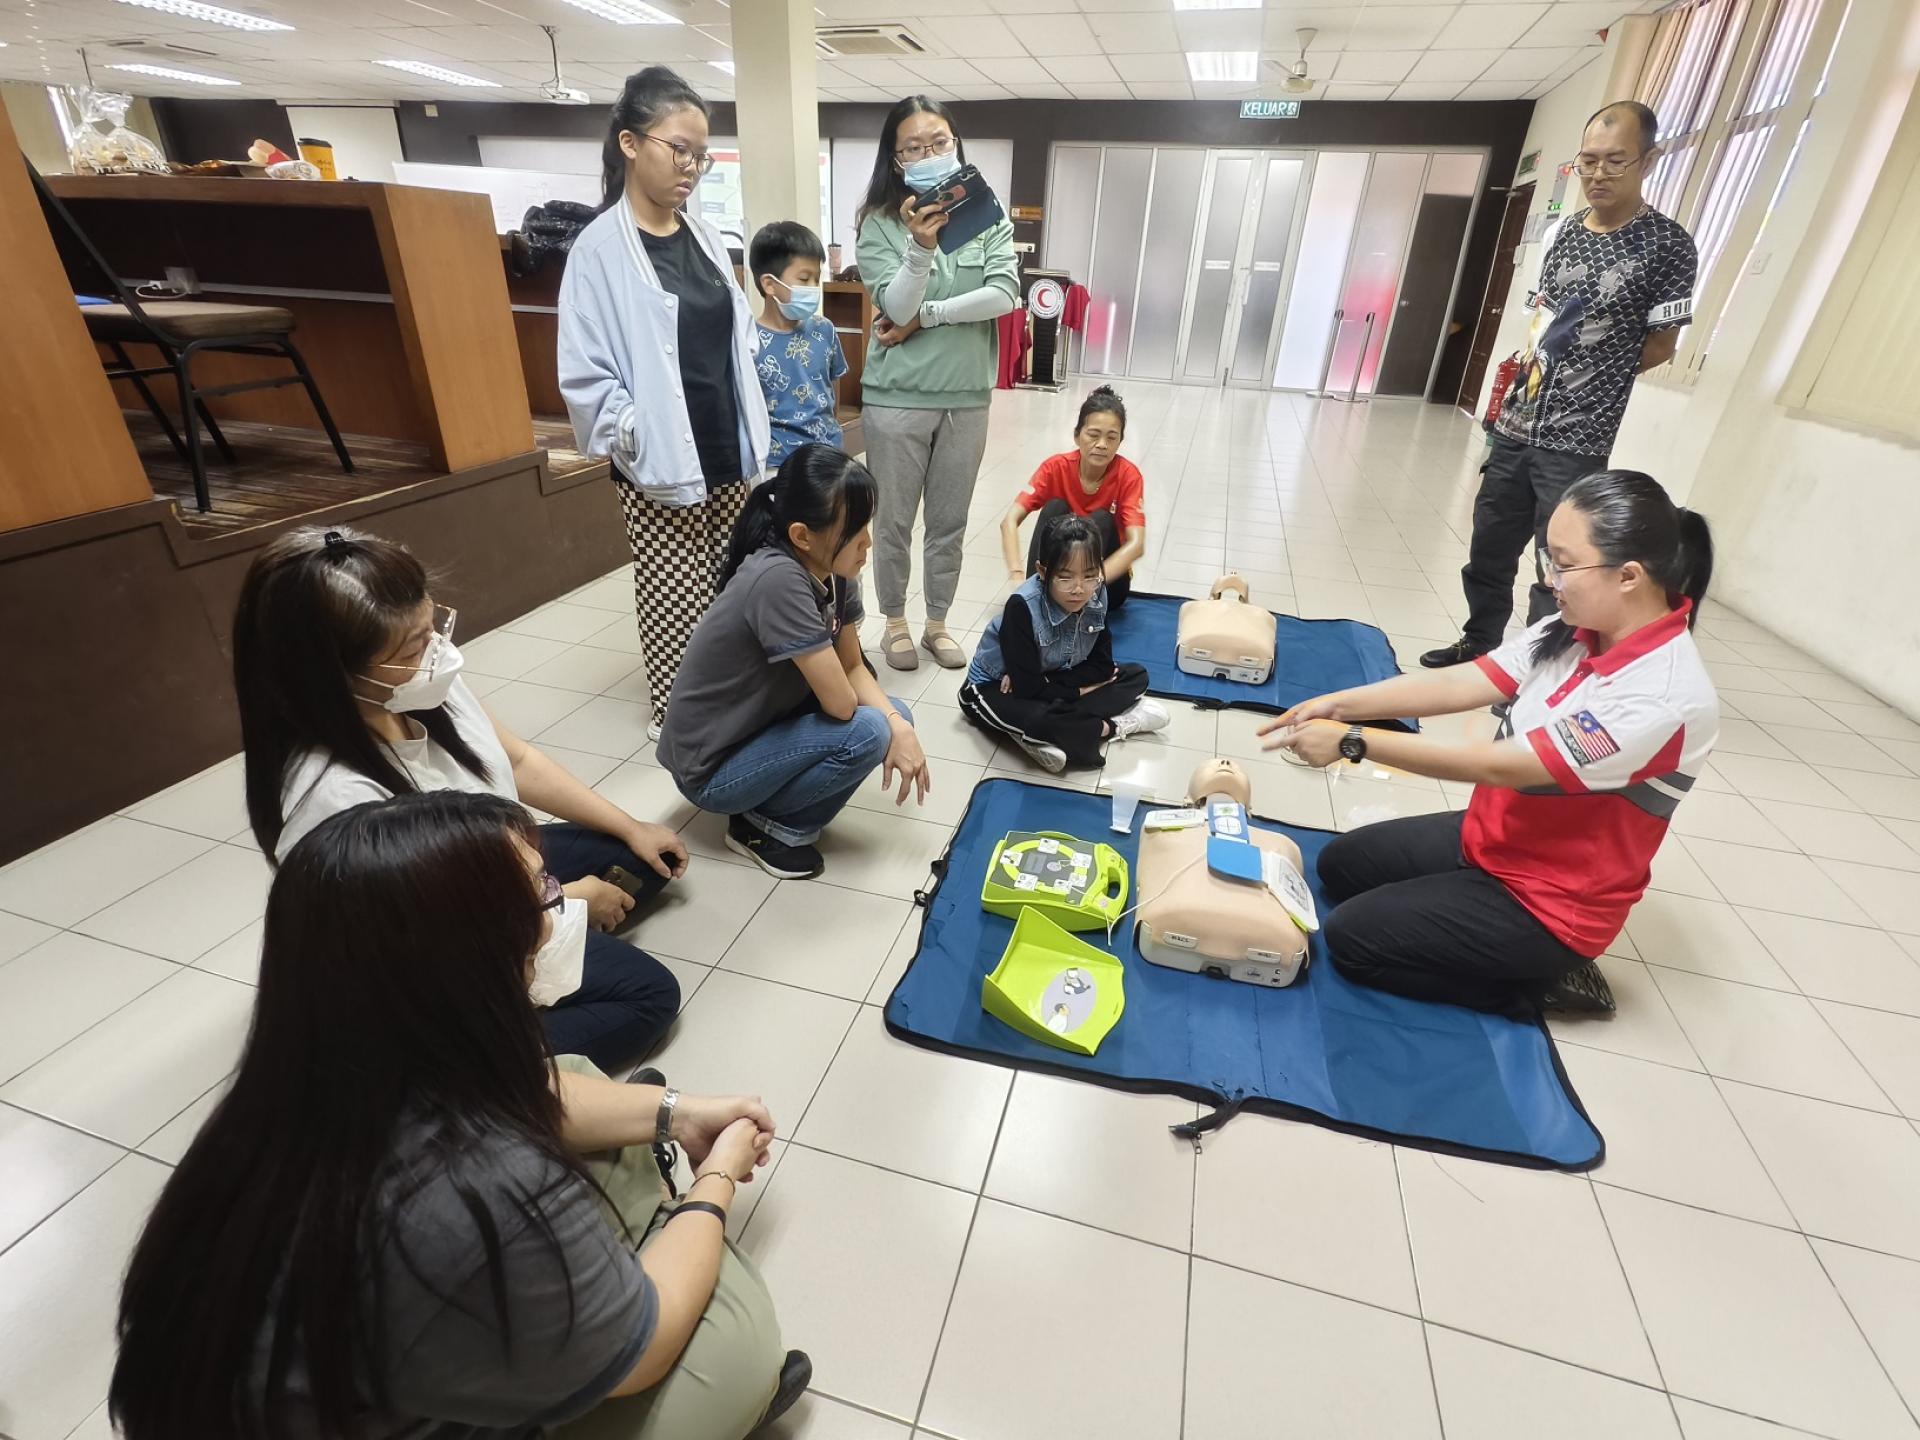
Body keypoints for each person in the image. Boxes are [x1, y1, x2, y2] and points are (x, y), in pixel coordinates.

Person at [109, 790, 807, 1440]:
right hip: (451, 1373)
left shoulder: (297, 1087)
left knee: (572, 1077)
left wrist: (673, 1111)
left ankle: (640, 1191)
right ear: (471, 954)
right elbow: (642, 1353)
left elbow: (534, 1094)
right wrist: (714, 1182)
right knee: (734, 1345)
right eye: (542, 892)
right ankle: (657, 1212)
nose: (561, 905)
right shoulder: (480, 1185)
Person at [1262, 471, 1717, 1015]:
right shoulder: (1573, 628)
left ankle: (1545, 981)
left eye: (1564, 564)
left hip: (1545, 902)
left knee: (1351, 943)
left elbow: (1504, 766)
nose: (1549, 579)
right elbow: (1464, 681)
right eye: (1548, 558)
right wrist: (1342, 705)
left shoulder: (1662, 695)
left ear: (1629, 576)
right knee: (1340, 867)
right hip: (1494, 837)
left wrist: (1354, 742)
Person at [234, 525, 687, 1072]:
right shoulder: (333, 800)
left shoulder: (415, 684)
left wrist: (630, 827)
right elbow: (425, 941)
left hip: (491, 874)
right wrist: (561, 903)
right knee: (650, 996)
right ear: (335, 674)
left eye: (433, 626)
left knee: (644, 861)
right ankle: (469, 1073)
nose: (439, 652)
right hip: (445, 942)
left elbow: (516, 760)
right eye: (415, 644)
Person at [1423, 101, 1698, 670]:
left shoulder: (1668, 245)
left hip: (1578, 437)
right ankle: (1480, 643)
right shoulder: (1563, 233)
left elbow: (1661, 345)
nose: (1599, 175)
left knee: (1561, 565)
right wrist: (1514, 404)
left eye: (1616, 161)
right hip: (1520, 422)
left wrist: (1588, 385)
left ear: (1650, 160)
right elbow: (1540, 324)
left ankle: (1537, 670)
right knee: (1490, 543)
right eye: (1589, 161)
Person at [559, 66, 771, 737]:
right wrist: (634, 431)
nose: (692, 167)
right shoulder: (597, 251)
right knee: (674, 591)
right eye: (679, 149)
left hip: (728, 446)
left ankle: (730, 697)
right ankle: (679, 718)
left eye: (701, 156)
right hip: (658, 456)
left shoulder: (708, 239)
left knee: (730, 583)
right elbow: (584, 370)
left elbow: (735, 338)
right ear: (630, 143)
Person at [659, 446, 932, 881]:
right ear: (803, 535)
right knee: (871, 728)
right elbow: (843, 705)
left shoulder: (836, 573)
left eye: (867, 524)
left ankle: (769, 810)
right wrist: (889, 728)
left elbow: (853, 666)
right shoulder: (778, 579)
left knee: (897, 717)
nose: (868, 541)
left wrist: (900, 728)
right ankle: (762, 826)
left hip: (755, 731)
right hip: (710, 768)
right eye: (855, 529)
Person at [856, 95, 1020, 672]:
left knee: (949, 522)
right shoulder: (879, 222)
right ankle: (895, 623)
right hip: (896, 398)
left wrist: (926, 317)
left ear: (956, 145)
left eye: (940, 143)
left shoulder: (988, 215)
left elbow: (1003, 295)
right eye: (914, 148)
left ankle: (938, 622)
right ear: (897, 159)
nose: (929, 154)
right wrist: (920, 247)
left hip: (967, 395)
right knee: (895, 520)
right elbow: (893, 301)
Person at [960, 514, 1167, 773]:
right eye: (1066, 578)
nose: (1079, 589)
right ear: (1043, 572)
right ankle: (1110, 726)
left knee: (1136, 675)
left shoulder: (1097, 592)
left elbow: (1102, 666)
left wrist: (1050, 686)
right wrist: (1081, 690)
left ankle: (1047, 735)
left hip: (1049, 678)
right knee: (1037, 715)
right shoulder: (1022, 606)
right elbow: (1026, 690)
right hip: (993, 686)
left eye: (1090, 575)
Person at [998, 384, 1146, 610]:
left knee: (1101, 520)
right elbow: (1009, 521)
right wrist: (1017, 578)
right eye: (1093, 435)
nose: (1101, 445)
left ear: (1119, 441)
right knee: (1054, 507)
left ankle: (1074, 599)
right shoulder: (1055, 467)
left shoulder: (1128, 476)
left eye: (1111, 437)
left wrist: (1091, 581)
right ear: (1077, 436)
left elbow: (1137, 545)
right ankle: (1035, 591)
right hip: (1059, 580)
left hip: (1104, 584)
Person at [749, 219, 848, 470]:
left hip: (827, 455)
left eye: (817, 278)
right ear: (769, 284)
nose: (813, 288)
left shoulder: (824, 329)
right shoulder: (748, 342)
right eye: (804, 279)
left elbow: (832, 386)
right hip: (777, 463)